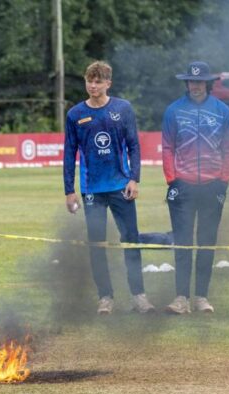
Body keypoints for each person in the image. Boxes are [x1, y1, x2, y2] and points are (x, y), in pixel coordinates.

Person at [62, 61, 155, 315]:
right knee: (97, 244)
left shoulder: (123, 109)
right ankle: (105, 297)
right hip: (92, 189)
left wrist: (134, 178)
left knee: (131, 240)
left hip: (120, 186)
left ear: (108, 84)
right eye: (89, 81)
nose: (92, 86)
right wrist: (69, 191)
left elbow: (134, 145)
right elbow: (69, 154)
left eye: (98, 81)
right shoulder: (75, 115)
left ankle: (139, 296)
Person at [161, 61, 229, 314]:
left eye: (200, 81)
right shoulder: (173, 111)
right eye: (191, 81)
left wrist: (223, 180)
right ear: (187, 83)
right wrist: (172, 178)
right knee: (182, 243)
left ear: (207, 83)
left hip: (213, 185)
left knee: (206, 243)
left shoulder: (223, 111)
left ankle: (201, 297)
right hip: (183, 184)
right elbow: (168, 147)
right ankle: (181, 298)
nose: (195, 86)